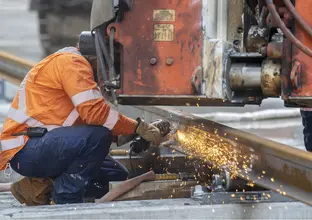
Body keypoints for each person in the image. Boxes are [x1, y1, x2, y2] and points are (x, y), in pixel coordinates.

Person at [0, 46, 162, 205]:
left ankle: (40, 187)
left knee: (117, 178)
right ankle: (65, 199)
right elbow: (94, 112)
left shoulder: (75, 69)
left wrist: (123, 134)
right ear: (97, 57)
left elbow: (81, 123)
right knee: (98, 137)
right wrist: (138, 127)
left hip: (44, 144)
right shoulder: (72, 63)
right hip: (27, 150)